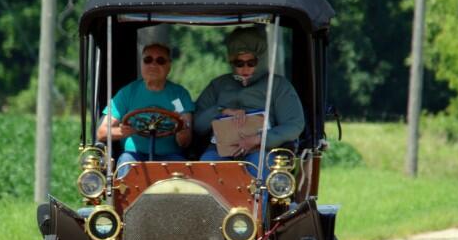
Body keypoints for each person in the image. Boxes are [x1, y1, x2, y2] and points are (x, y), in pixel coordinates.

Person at [194, 26, 305, 171]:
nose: (245, 69)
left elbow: (294, 125)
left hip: (261, 150)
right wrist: (220, 111)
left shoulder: (277, 85)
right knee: (207, 162)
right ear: (232, 63)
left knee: (259, 164)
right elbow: (197, 125)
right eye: (239, 63)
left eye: (251, 63)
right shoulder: (218, 85)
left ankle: (259, 195)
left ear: (261, 61)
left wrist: (260, 139)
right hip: (220, 150)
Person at [96, 43, 194, 175]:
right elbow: (101, 133)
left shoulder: (178, 95)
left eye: (160, 61)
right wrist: (122, 131)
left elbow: (185, 141)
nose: (153, 65)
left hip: (170, 156)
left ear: (169, 66)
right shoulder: (128, 93)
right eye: (148, 60)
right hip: (135, 156)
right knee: (126, 161)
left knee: (183, 168)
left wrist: (182, 128)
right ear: (141, 63)